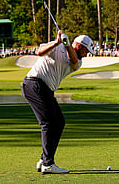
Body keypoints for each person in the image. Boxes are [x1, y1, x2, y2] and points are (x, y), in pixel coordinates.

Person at [21, 30, 95, 174]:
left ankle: (44, 159)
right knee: (48, 123)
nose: (87, 54)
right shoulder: (57, 46)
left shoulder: (78, 61)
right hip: (34, 84)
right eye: (87, 51)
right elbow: (39, 52)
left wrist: (67, 45)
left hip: (46, 89)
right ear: (80, 46)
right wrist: (57, 42)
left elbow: (73, 60)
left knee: (59, 122)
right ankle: (48, 164)